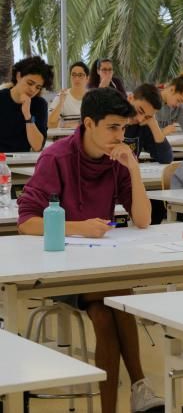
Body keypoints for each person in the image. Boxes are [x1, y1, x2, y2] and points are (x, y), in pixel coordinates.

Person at [17, 87, 162, 413]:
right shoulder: (57, 158)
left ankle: (121, 401)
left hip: (100, 269)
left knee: (103, 315)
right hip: (60, 272)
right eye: (112, 127)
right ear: (88, 123)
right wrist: (77, 227)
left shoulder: (116, 159)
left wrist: (133, 169)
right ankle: (140, 384)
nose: (119, 135)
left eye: (123, 128)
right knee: (119, 295)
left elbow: (142, 219)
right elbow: (26, 221)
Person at [0, 56, 52, 153]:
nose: (33, 90)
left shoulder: (40, 105)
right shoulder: (2, 98)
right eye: (30, 83)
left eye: (38, 87)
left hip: (24, 162)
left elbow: (37, 146)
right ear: (18, 76)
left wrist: (28, 115)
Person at [124, 83, 174, 164]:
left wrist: (153, 124)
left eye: (147, 117)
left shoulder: (143, 125)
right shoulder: (110, 118)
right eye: (140, 111)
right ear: (130, 98)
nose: (140, 119)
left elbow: (166, 158)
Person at [48, 61, 89, 129]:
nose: (76, 78)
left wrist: (74, 124)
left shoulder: (93, 97)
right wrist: (61, 103)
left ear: (87, 78)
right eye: (73, 75)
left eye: (80, 75)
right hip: (66, 137)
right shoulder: (62, 96)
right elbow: (49, 122)